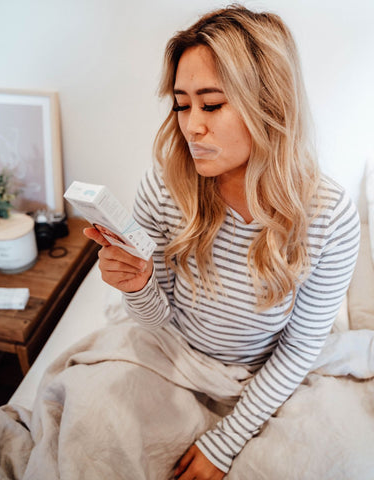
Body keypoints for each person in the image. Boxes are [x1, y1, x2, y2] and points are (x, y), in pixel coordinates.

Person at [84, 5, 360, 479]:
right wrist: (138, 285)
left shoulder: (329, 217)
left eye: (210, 104)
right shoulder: (166, 185)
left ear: (269, 105)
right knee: (95, 433)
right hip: (173, 353)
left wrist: (224, 443)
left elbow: (298, 350)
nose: (191, 126)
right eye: (181, 103)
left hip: (265, 372)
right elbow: (157, 319)